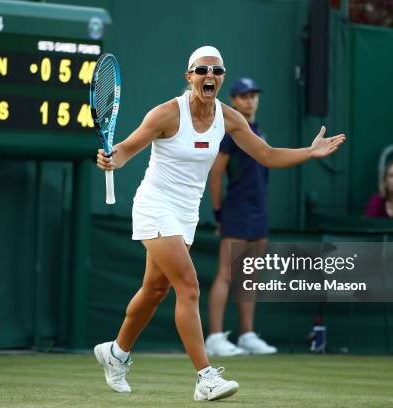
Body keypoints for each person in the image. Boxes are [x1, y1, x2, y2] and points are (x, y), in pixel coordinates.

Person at [94, 45, 345, 401]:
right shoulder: (166, 114)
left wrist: (309, 151)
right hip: (155, 204)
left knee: (155, 290)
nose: (209, 75)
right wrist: (110, 159)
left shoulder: (229, 118)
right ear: (189, 76)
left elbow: (267, 155)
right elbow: (126, 148)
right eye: (201, 70)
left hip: (186, 213)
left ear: (221, 78)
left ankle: (116, 353)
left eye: (216, 70)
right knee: (189, 285)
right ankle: (205, 377)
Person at [205, 77, 276, 357]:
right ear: (233, 100)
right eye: (244, 96)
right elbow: (216, 175)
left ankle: (247, 334)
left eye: (254, 95)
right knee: (226, 273)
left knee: (249, 276)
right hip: (236, 209)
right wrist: (219, 213)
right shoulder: (230, 131)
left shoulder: (258, 131)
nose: (250, 100)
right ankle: (214, 337)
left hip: (259, 210)